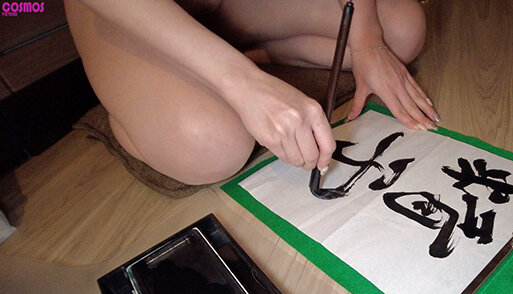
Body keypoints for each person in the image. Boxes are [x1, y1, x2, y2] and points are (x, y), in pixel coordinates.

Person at [64, 0, 440, 185]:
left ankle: (261, 53)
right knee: (210, 145)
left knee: (400, 31)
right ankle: (142, 98)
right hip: (130, 12)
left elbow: (370, 31)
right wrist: (240, 81)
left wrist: (368, 40)